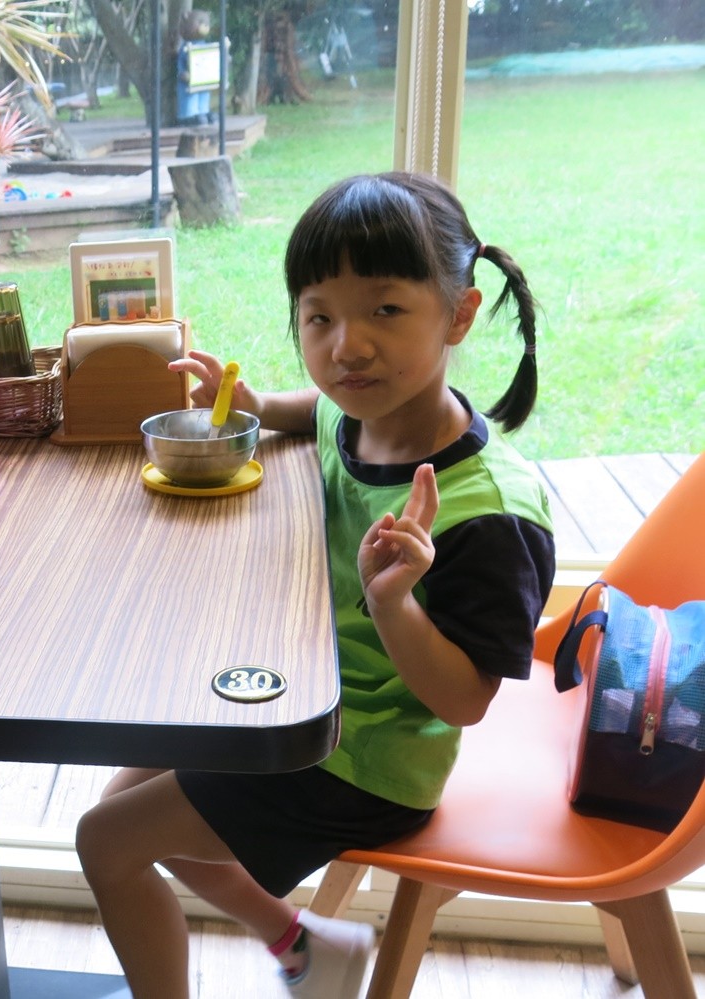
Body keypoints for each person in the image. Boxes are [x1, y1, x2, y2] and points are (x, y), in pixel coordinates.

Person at [74, 172, 556, 999]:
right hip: (299, 696)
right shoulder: (361, 412)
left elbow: (463, 700)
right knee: (128, 803)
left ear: (460, 313)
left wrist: (393, 601)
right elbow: (316, 412)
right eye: (319, 316)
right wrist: (260, 404)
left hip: (368, 760)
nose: (347, 347)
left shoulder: (489, 512)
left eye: (385, 310)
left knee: (107, 840)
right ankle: (301, 944)